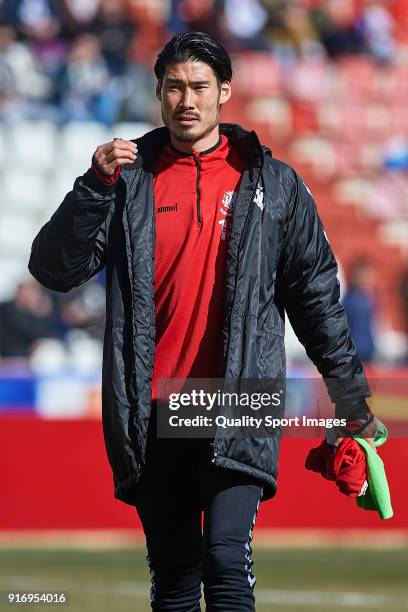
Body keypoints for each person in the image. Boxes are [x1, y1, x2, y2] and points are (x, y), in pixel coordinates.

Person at [29, 31, 378, 611]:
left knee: (224, 558)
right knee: (173, 577)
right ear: (159, 94)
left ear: (224, 93)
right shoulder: (125, 182)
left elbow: (315, 298)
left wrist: (351, 397)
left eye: (198, 87)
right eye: (173, 87)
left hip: (240, 399)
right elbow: (53, 269)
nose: (186, 100)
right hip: (151, 406)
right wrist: (92, 189)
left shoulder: (275, 183)